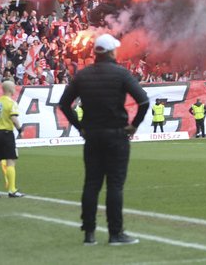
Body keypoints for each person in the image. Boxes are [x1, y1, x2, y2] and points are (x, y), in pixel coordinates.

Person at [58, 34, 149, 246]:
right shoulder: (121, 73)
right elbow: (143, 101)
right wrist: (133, 126)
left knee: (91, 183)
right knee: (115, 185)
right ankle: (115, 233)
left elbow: (64, 104)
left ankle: (89, 233)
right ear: (110, 52)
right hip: (117, 134)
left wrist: (80, 127)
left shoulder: (83, 75)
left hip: (92, 135)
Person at [0, 80, 24, 198]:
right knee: (11, 161)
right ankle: (12, 190)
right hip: (7, 133)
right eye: (13, 87)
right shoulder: (12, 103)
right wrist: (20, 130)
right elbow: (13, 118)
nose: (15, 89)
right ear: (10, 89)